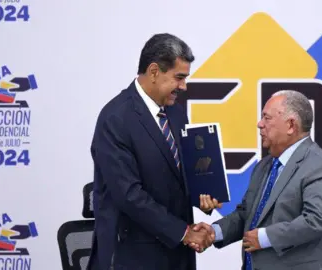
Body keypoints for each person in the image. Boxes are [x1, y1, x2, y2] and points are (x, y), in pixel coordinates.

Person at [87, 33, 221, 270]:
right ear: (154, 72)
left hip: (176, 255)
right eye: (179, 77)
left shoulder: (177, 113)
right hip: (133, 257)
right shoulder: (115, 118)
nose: (184, 86)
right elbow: (129, 195)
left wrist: (203, 198)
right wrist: (183, 232)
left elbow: (179, 175)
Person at [194, 90, 322, 270]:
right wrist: (214, 232)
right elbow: (247, 215)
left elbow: (318, 220)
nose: (260, 124)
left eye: (267, 118)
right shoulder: (264, 166)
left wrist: (265, 237)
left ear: (291, 125)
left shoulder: (320, 166)